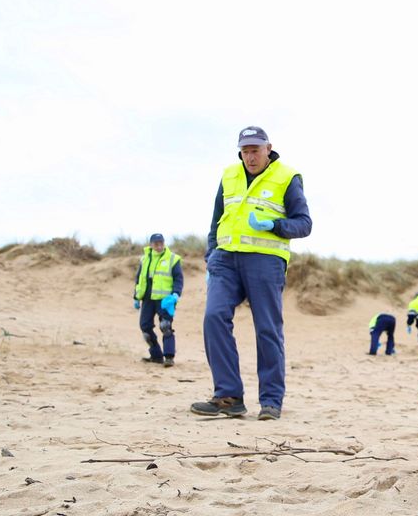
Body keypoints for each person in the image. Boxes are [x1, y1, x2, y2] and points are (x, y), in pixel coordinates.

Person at [190, 126, 312, 421]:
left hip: (265, 261)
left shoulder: (287, 176)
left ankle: (271, 400)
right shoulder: (229, 175)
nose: (250, 156)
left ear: (268, 148)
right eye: (245, 151)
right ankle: (228, 396)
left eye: (255, 150)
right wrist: (211, 256)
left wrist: (275, 225)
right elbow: (216, 220)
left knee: (267, 329)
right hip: (226, 260)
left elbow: (304, 224)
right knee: (214, 317)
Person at [133, 233, 183, 367]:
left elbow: (178, 278)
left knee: (165, 326)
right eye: (156, 244)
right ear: (151, 244)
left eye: (161, 243)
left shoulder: (173, 259)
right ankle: (156, 355)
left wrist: (176, 295)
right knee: (145, 327)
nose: (159, 246)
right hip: (148, 298)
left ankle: (169, 357)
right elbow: (139, 279)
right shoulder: (144, 259)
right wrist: (136, 297)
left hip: (165, 299)